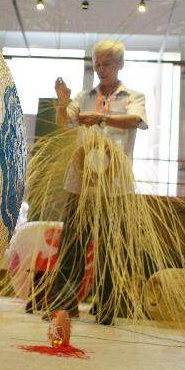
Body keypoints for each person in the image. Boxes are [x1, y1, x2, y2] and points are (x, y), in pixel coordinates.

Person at [47, 40, 148, 326]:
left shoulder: (133, 96)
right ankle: (64, 305)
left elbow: (136, 120)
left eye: (107, 64)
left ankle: (106, 309)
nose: (101, 70)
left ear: (119, 65)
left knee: (111, 248)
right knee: (73, 246)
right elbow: (65, 123)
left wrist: (102, 117)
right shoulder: (84, 96)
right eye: (97, 64)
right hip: (81, 184)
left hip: (116, 188)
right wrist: (64, 101)